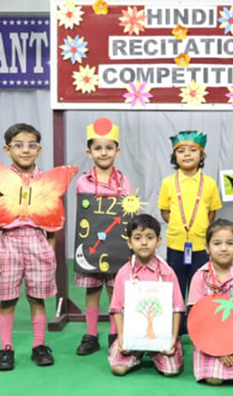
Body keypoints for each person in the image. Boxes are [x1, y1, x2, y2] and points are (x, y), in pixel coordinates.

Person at [0, 123, 57, 371]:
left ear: (39, 150)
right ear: (7, 150)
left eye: (31, 145)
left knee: (37, 296)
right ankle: (6, 348)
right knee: (8, 298)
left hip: (38, 240)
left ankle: (39, 345)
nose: (25, 150)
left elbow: (53, 219)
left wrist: (49, 248)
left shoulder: (46, 182)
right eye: (18, 145)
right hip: (9, 242)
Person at [74, 118, 132, 356]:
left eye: (109, 148)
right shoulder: (83, 182)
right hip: (92, 246)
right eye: (98, 148)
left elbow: (127, 212)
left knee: (114, 291)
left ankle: (114, 333)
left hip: (116, 247)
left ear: (117, 151)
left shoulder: (124, 182)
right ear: (89, 152)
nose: (104, 152)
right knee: (92, 290)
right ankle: (91, 334)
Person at [158, 130, 222, 334]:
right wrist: (180, 226)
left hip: (201, 245)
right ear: (174, 156)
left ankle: (196, 326)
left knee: (198, 285)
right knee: (176, 284)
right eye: (181, 151)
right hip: (176, 244)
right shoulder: (168, 182)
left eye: (193, 150)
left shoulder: (209, 183)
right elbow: (165, 211)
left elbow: (212, 212)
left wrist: (198, 227)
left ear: (202, 155)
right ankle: (175, 327)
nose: (187, 154)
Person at [108, 214, 185, 377]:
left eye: (150, 237)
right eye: (137, 238)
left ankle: (162, 352)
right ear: (129, 242)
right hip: (132, 335)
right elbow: (116, 309)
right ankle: (137, 354)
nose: (144, 243)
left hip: (161, 336)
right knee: (117, 369)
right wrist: (122, 338)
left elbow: (177, 308)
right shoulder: (123, 273)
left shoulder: (167, 272)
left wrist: (172, 338)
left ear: (159, 241)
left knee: (171, 371)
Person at [187, 219, 233, 385]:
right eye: (217, 243)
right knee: (214, 379)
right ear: (207, 247)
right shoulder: (200, 276)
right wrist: (218, 350)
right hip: (208, 338)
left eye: (230, 243)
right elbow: (198, 319)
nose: (224, 248)